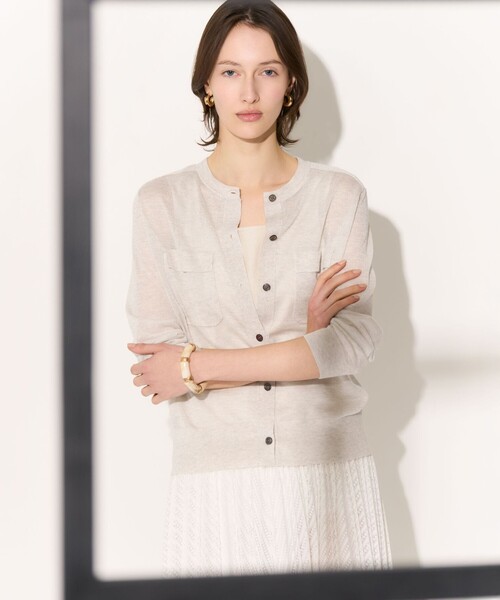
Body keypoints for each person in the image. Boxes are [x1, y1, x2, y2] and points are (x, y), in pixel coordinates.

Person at [126, 0, 392, 577]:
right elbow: (157, 367)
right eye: (230, 71)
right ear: (206, 85)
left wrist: (197, 364)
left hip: (326, 472)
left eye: (267, 71)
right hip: (213, 485)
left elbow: (354, 341)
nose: (248, 92)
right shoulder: (161, 205)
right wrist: (307, 342)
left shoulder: (337, 197)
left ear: (290, 83)